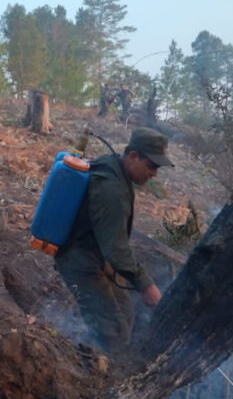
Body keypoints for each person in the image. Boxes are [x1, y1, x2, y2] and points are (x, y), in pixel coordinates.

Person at [54, 128, 174, 353]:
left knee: (126, 312)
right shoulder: (112, 190)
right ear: (133, 156)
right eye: (152, 166)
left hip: (94, 253)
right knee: (115, 334)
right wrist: (146, 285)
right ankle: (87, 360)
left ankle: (97, 345)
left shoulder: (115, 167)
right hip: (79, 261)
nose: (154, 174)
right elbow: (117, 251)